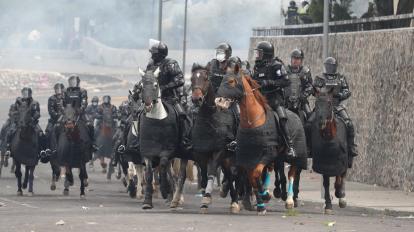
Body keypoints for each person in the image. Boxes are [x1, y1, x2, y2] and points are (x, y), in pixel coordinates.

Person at [145, 39, 192, 153]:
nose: (151, 55)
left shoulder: (170, 63)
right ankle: (136, 142)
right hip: (152, 99)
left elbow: (180, 80)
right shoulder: (150, 66)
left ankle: (184, 140)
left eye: (153, 53)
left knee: (182, 116)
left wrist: (164, 87)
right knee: (136, 115)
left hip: (170, 98)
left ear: (159, 54)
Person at [252, 41, 295, 158]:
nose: (257, 56)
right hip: (260, 98)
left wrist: (270, 82)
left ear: (266, 54)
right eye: (257, 53)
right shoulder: (257, 67)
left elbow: (286, 81)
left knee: (282, 118)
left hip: (274, 97)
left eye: (259, 53)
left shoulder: (277, 65)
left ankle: (290, 146)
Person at [312, 57, 359, 158]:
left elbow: (347, 91)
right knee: (309, 123)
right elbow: (314, 90)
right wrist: (321, 94)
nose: (330, 68)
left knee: (349, 123)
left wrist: (339, 95)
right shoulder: (319, 78)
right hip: (322, 107)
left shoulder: (341, 78)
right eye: (328, 66)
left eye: (332, 66)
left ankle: (351, 146)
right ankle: (309, 146)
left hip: (337, 106)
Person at [285, 49, 313, 119]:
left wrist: (303, 96)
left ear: (301, 60)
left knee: (310, 117)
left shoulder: (305, 71)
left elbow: (310, 86)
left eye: (297, 59)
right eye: (293, 58)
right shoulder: (285, 70)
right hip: (286, 101)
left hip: (301, 101)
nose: (295, 60)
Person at [94, 95, 118, 173]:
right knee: (95, 131)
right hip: (101, 124)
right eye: (105, 99)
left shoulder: (113, 107)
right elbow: (96, 115)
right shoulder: (99, 107)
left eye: (107, 99)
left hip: (111, 125)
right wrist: (102, 116)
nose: (106, 100)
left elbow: (116, 115)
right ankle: (93, 144)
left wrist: (113, 117)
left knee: (118, 134)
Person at [45, 83, 65, 155]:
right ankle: (47, 149)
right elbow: (51, 110)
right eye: (56, 89)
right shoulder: (51, 99)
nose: (58, 90)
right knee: (48, 131)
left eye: (59, 89)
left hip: (66, 119)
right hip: (54, 120)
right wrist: (57, 115)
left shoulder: (66, 98)